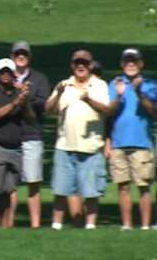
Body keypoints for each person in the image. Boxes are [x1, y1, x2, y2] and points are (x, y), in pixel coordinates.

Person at [45, 50, 114, 230]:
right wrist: (58, 94)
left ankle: (90, 226)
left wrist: (88, 99)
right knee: (60, 190)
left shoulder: (99, 85)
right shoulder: (64, 85)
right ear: (72, 65)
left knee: (91, 192)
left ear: (90, 66)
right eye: (77, 63)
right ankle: (56, 226)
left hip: (91, 147)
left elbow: (106, 110)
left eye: (84, 63)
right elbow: (48, 109)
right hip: (64, 146)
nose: (80, 66)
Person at [105, 48, 157, 231]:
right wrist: (119, 96)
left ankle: (145, 226)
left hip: (141, 143)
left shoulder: (150, 84)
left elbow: (154, 112)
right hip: (118, 143)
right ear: (122, 64)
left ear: (140, 64)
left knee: (144, 186)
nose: (130, 64)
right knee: (123, 186)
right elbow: (108, 112)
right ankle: (127, 225)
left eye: (134, 61)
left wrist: (139, 92)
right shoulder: (115, 84)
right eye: (127, 61)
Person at [0, 59, 31, 228]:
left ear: (13, 74)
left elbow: (30, 118)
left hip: (15, 147)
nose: (6, 75)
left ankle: (5, 227)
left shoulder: (19, 93)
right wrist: (14, 104)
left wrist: (24, 101)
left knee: (9, 190)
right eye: (2, 72)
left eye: (9, 72)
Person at [11, 41, 51, 229]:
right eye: (17, 53)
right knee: (10, 185)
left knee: (33, 182)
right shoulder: (6, 76)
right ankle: (8, 224)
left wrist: (25, 97)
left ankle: (35, 225)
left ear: (29, 57)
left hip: (32, 135)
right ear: (12, 56)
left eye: (24, 53)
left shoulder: (39, 79)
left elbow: (41, 106)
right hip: (9, 137)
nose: (21, 56)